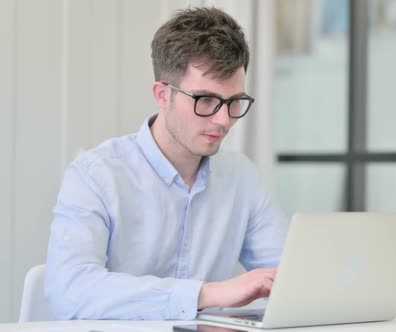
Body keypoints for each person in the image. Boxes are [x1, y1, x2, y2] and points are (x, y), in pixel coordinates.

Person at [45, 7, 287, 320]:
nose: (224, 120)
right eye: (206, 100)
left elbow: (289, 276)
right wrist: (205, 294)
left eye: (234, 102)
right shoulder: (95, 176)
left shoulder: (242, 177)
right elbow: (70, 291)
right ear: (163, 95)